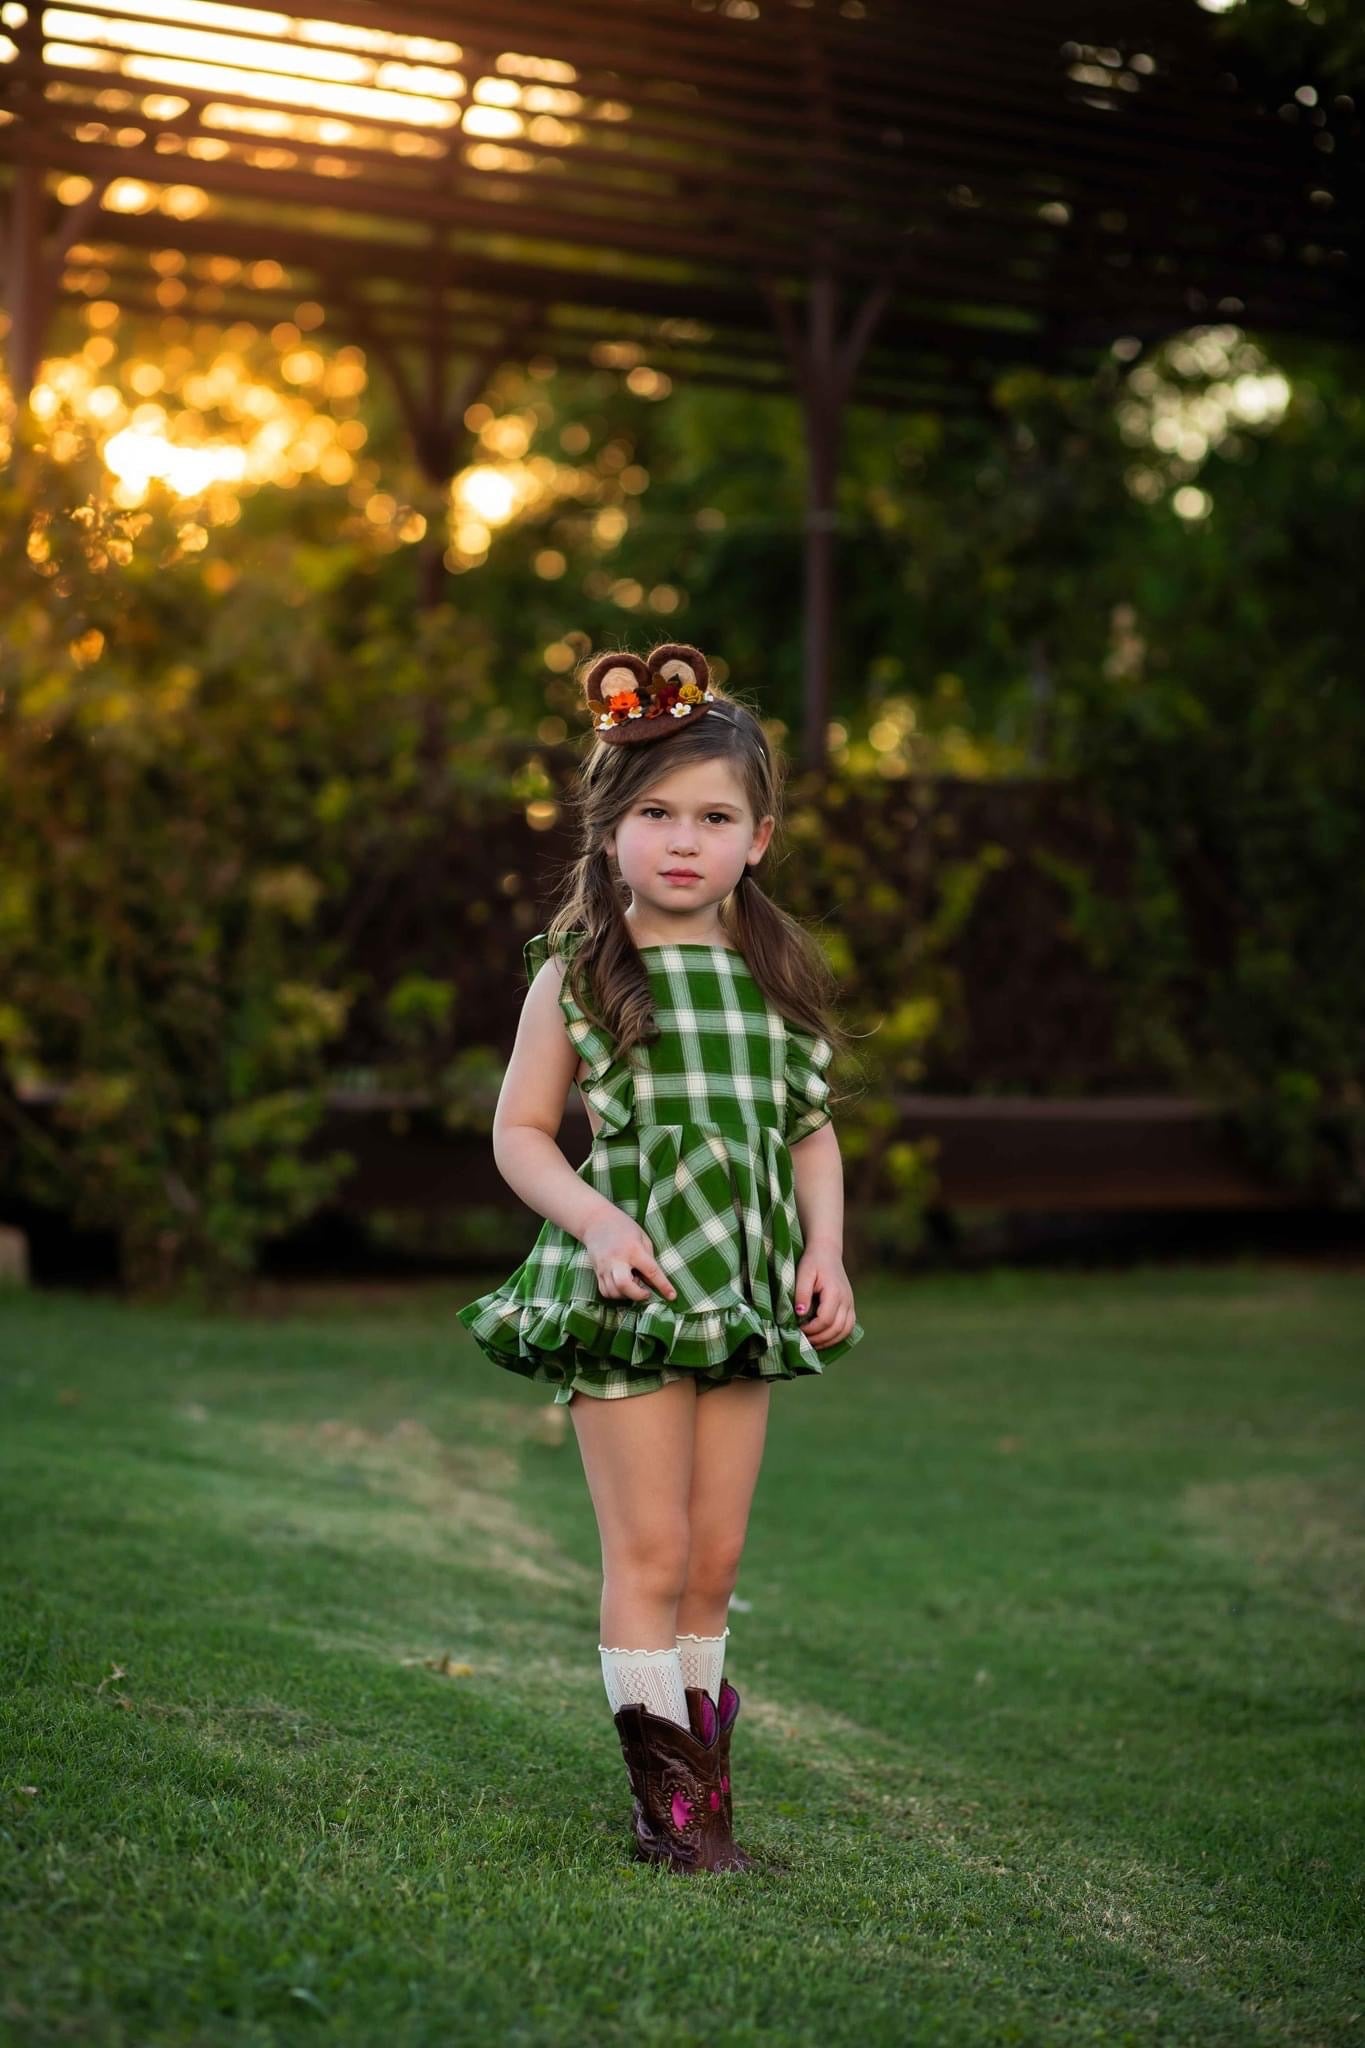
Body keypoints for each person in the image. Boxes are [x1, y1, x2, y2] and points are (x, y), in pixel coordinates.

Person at [457, 641, 865, 1874]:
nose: (684, 840)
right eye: (655, 813)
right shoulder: (579, 974)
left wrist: (828, 1253)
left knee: (713, 1557)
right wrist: (595, 1219)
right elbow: (520, 1134)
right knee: (645, 1551)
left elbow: (811, 1132)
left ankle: (706, 1783)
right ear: (609, 827)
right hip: (626, 1291)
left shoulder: (775, 980)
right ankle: (669, 1812)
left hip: (736, 1292)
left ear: (760, 837)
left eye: (715, 815)